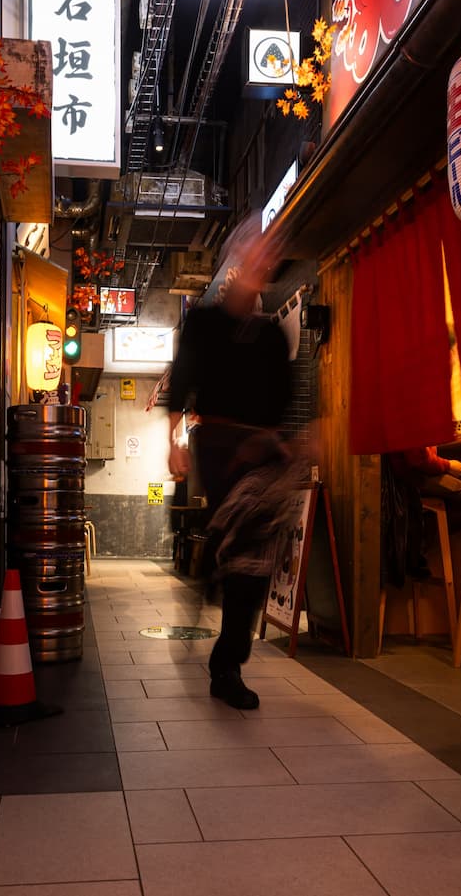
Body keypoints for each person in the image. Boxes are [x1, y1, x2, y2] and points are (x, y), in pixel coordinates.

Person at [168, 236, 295, 710]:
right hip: (219, 447)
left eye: (269, 259)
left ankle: (216, 571)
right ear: (234, 266)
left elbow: (283, 399)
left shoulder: (271, 335)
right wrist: (173, 441)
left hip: (263, 449)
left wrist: (289, 439)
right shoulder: (203, 323)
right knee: (244, 543)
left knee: (257, 556)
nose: (262, 265)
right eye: (253, 257)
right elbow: (182, 381)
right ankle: (226, 667)